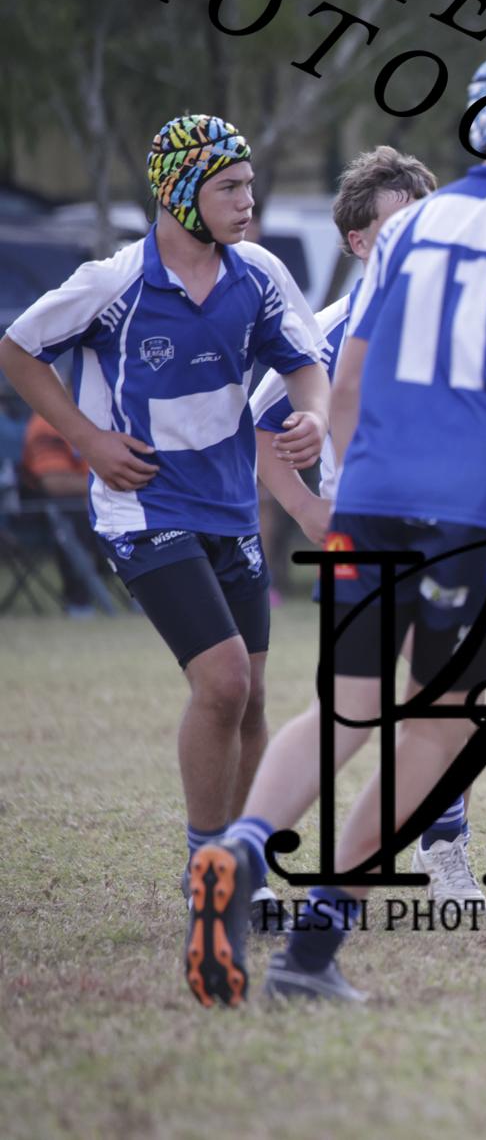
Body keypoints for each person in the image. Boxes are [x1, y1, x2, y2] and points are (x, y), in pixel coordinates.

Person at [184, 51, 486, 1004]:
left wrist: (353, 487)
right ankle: (313, 948)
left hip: (372, 495)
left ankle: (239, 851)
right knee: (436, 727)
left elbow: (345, 377)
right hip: (479, 511)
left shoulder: (411, 225)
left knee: (341, 707)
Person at [0, 115, 328, 927]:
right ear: (181, 192)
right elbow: (17, 347)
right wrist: (87, 440)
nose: (248, 201)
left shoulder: (258, 274)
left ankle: (242, 866)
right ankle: (208, 865)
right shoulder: (113, 283)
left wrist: (314, 417)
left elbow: (305, 364)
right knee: (223, 682)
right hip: (144, 509)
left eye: (249, 185)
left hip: (230, 509)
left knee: (251, 699)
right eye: (230, 187)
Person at [247, 146, 486, 906]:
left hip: (452, 532)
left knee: (449, 701)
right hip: (376, 537)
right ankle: (253, 853)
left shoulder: (458, 313)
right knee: (371, 706)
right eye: (401, 222)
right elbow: (257, 424)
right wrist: (308, 510)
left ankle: (440, 846)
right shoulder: (330, 330)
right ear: (358, 241)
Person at [19, 410, 118, 614]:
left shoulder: (107, 413)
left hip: (106, 504)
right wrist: (114, 485)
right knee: (75, 514)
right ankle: (80, 606)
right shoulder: (48, 421)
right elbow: (55, 483)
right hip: (51, 513)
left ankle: (148, 599)